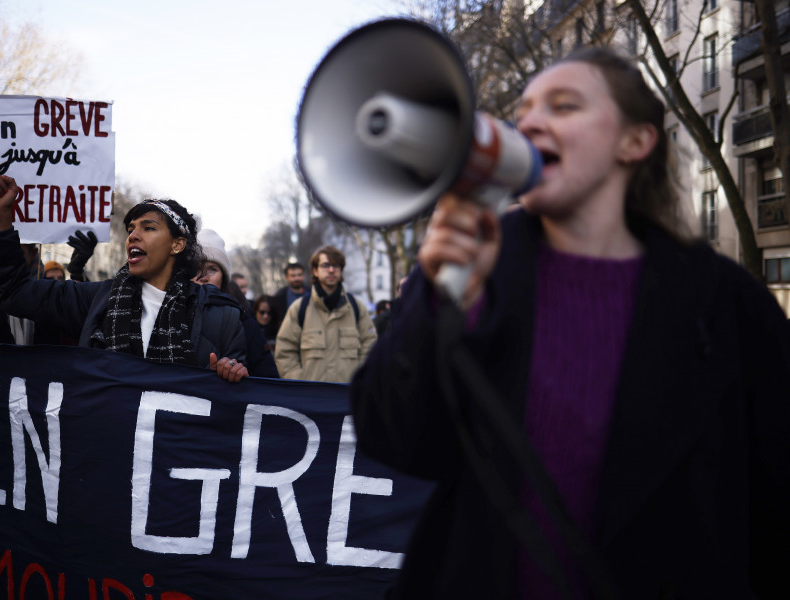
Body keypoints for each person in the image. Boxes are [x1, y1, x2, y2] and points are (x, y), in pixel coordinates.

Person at [350, 47, 790, 599]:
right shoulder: (477, 265)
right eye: (525, 109)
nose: (530, 121)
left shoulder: (724, 300)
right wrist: (442, 301)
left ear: (635, 141)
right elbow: (396, 439)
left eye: (564, 106)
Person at [0, 176, 248, 382]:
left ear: (177, 245)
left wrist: (229, 376)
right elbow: (15, 293)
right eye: (131, 229)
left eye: (149, 228)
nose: (133, 235)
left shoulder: (221, 316)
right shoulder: (99, 301)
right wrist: (1, 217)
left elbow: (239, 402)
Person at [274, 245, 376, 383]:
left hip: (347, 398)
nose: (331, 270)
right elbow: (285, 352)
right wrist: (300, 383)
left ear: (341, 270)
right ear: (315, 271)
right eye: (325, 265)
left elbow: (370, 348)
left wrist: (360, 381)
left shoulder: (356, 307)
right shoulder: (299, 308)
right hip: (311, 400)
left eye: (336, 265)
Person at [193, 228, 278, 378]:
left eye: (212, 269)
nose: (204, 277)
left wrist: (238, 376)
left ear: (224, 278)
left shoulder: (244, 321)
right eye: (196, 269)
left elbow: (267, 379)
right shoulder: (170, 313)